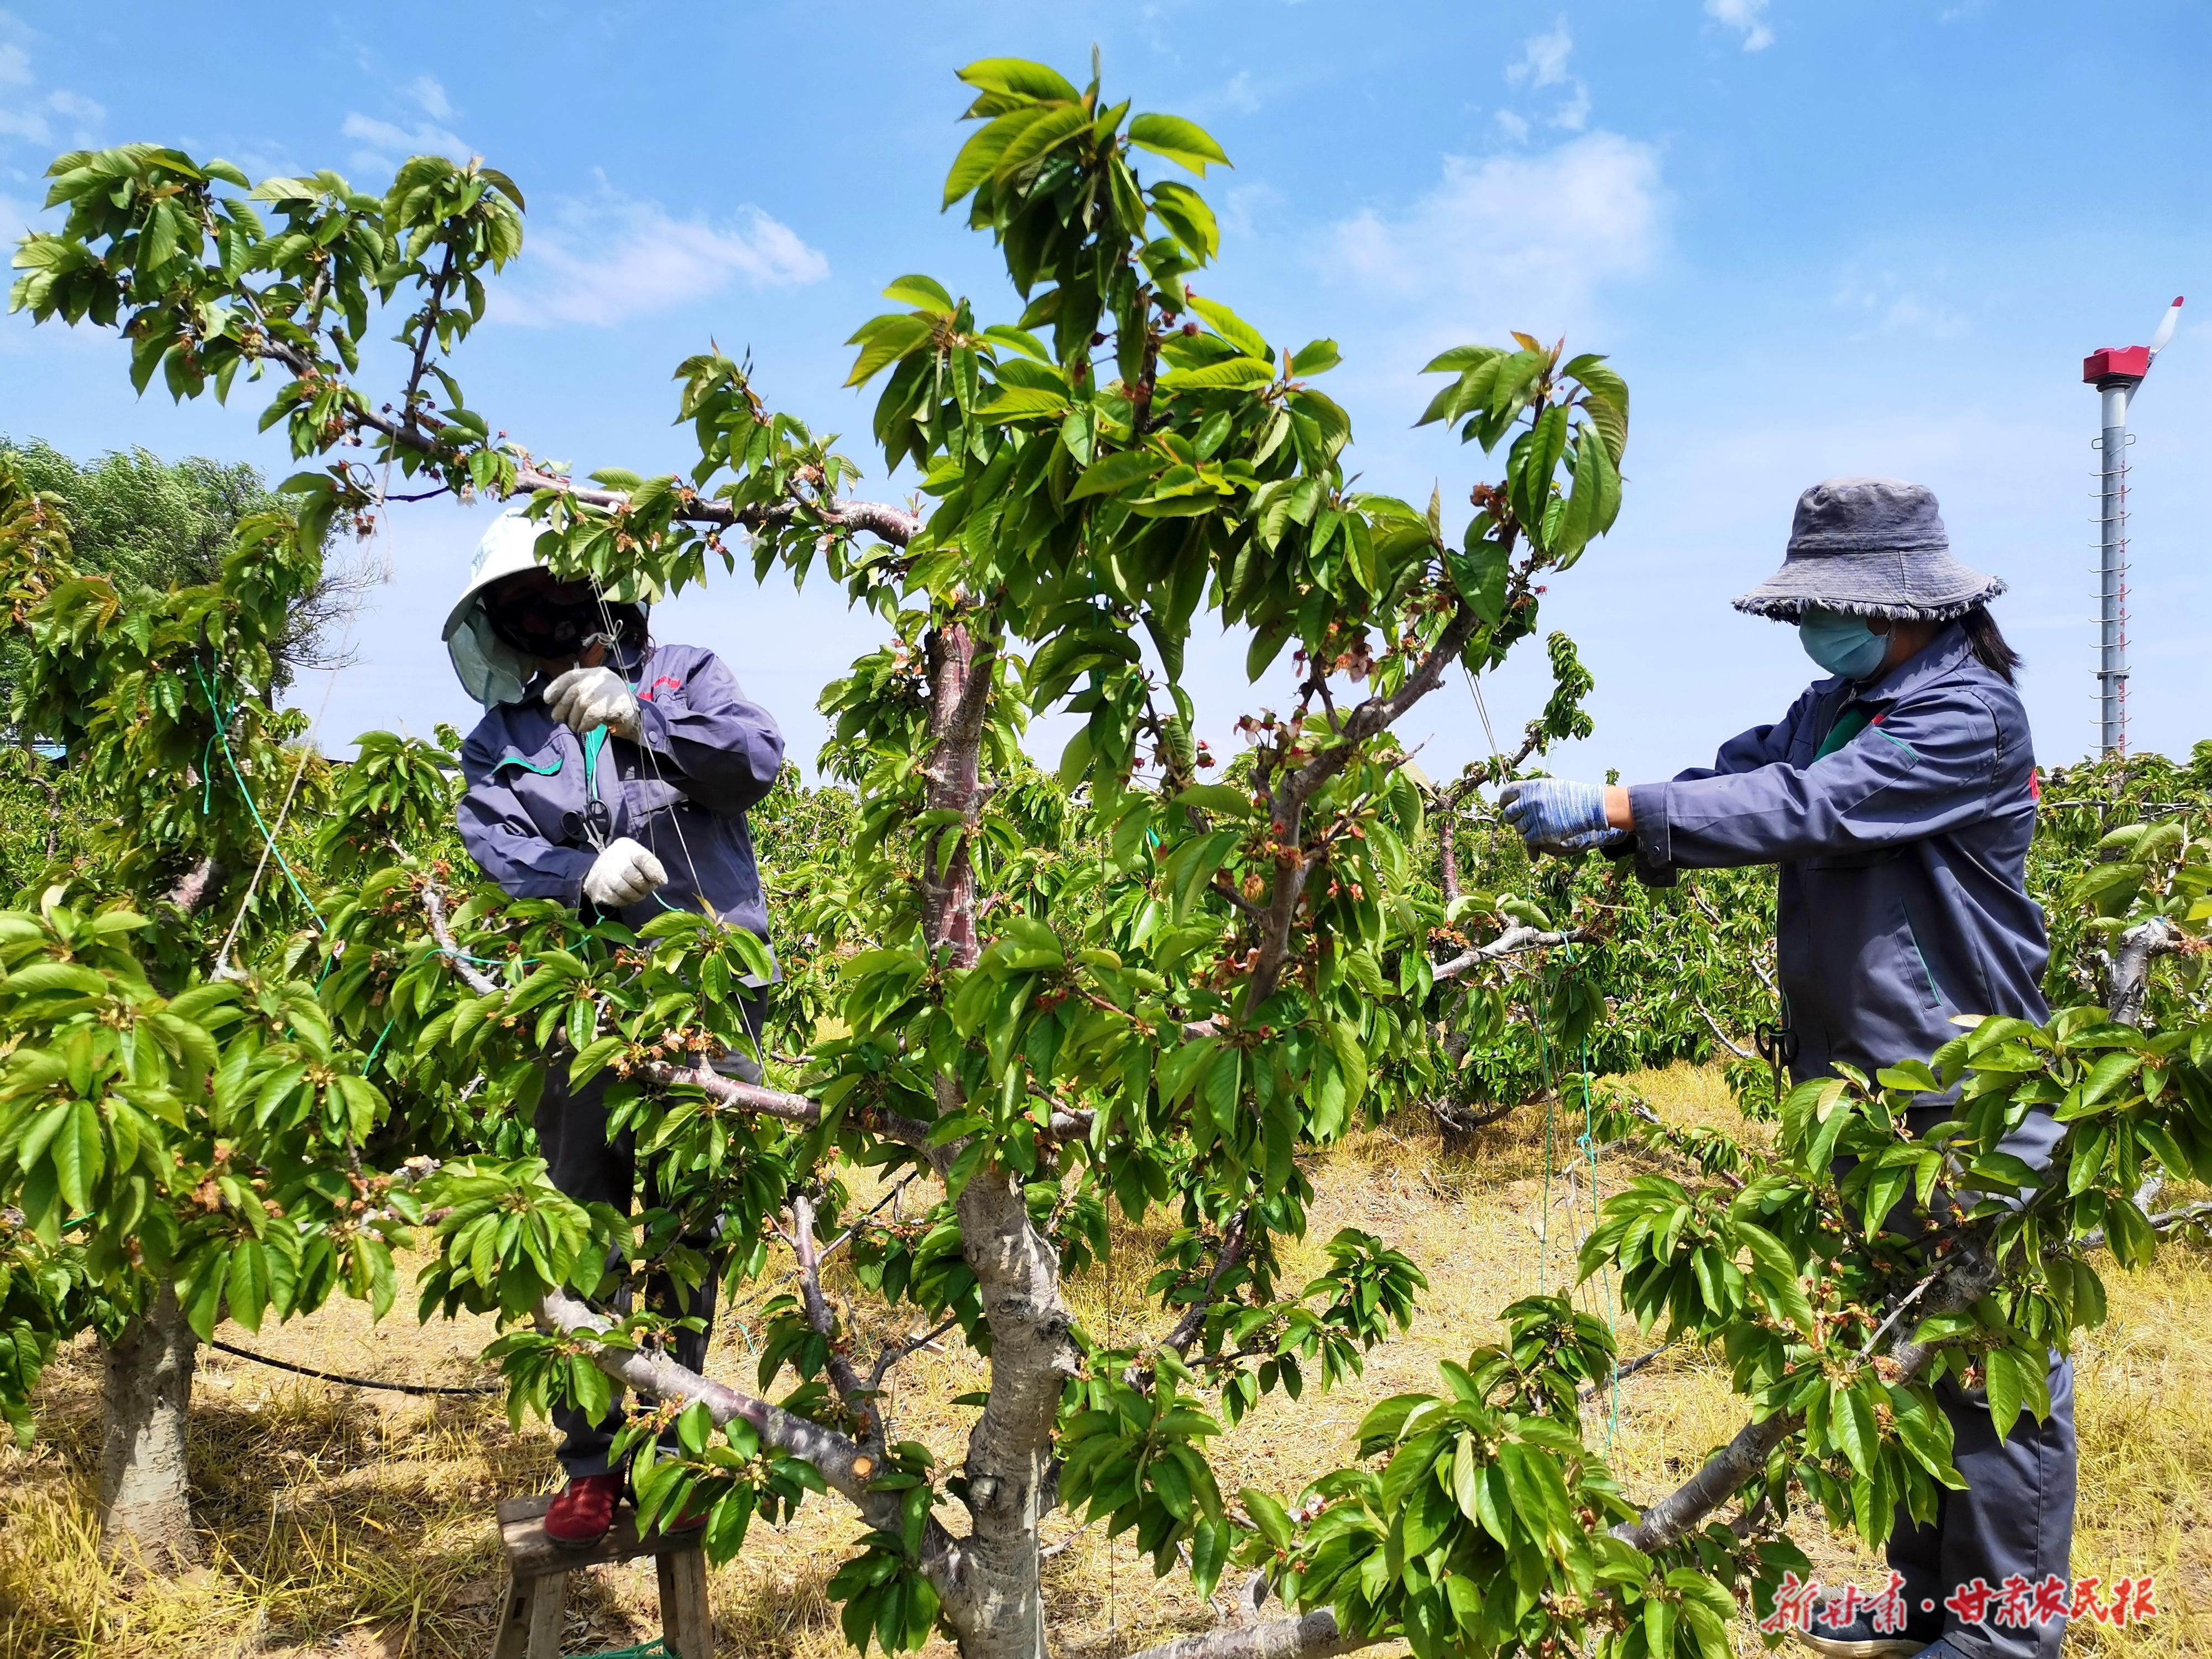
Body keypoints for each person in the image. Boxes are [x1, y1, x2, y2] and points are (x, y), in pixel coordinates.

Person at [1500, 478, 2073, 1659]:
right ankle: (1927, 1604)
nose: (1814, 628)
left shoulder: (1964, 716)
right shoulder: (1833, 703)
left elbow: (1813, 807)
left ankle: (2004, 1639)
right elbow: (1740, 778)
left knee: (1992, 1382)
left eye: (1830, 604)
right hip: (1855, 1105)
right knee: (1899, 1367)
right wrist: (1619, 822)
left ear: (1902, 601)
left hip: (1967, 1097)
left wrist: (1617, 802)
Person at [445, 507, 785, 1546]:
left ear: (601, 590)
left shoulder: (684, 672)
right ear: (500, 625)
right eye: (522, 607)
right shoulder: (500, 739)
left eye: (560, 595)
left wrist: (643, 717)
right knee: (583, 1215)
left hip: (709, 996)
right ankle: (590, 1460)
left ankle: (675, 1437)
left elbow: (759, 763)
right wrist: (577, 879)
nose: (547, 620)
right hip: (580, 1009)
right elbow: (498, 852)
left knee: (696, 1222)